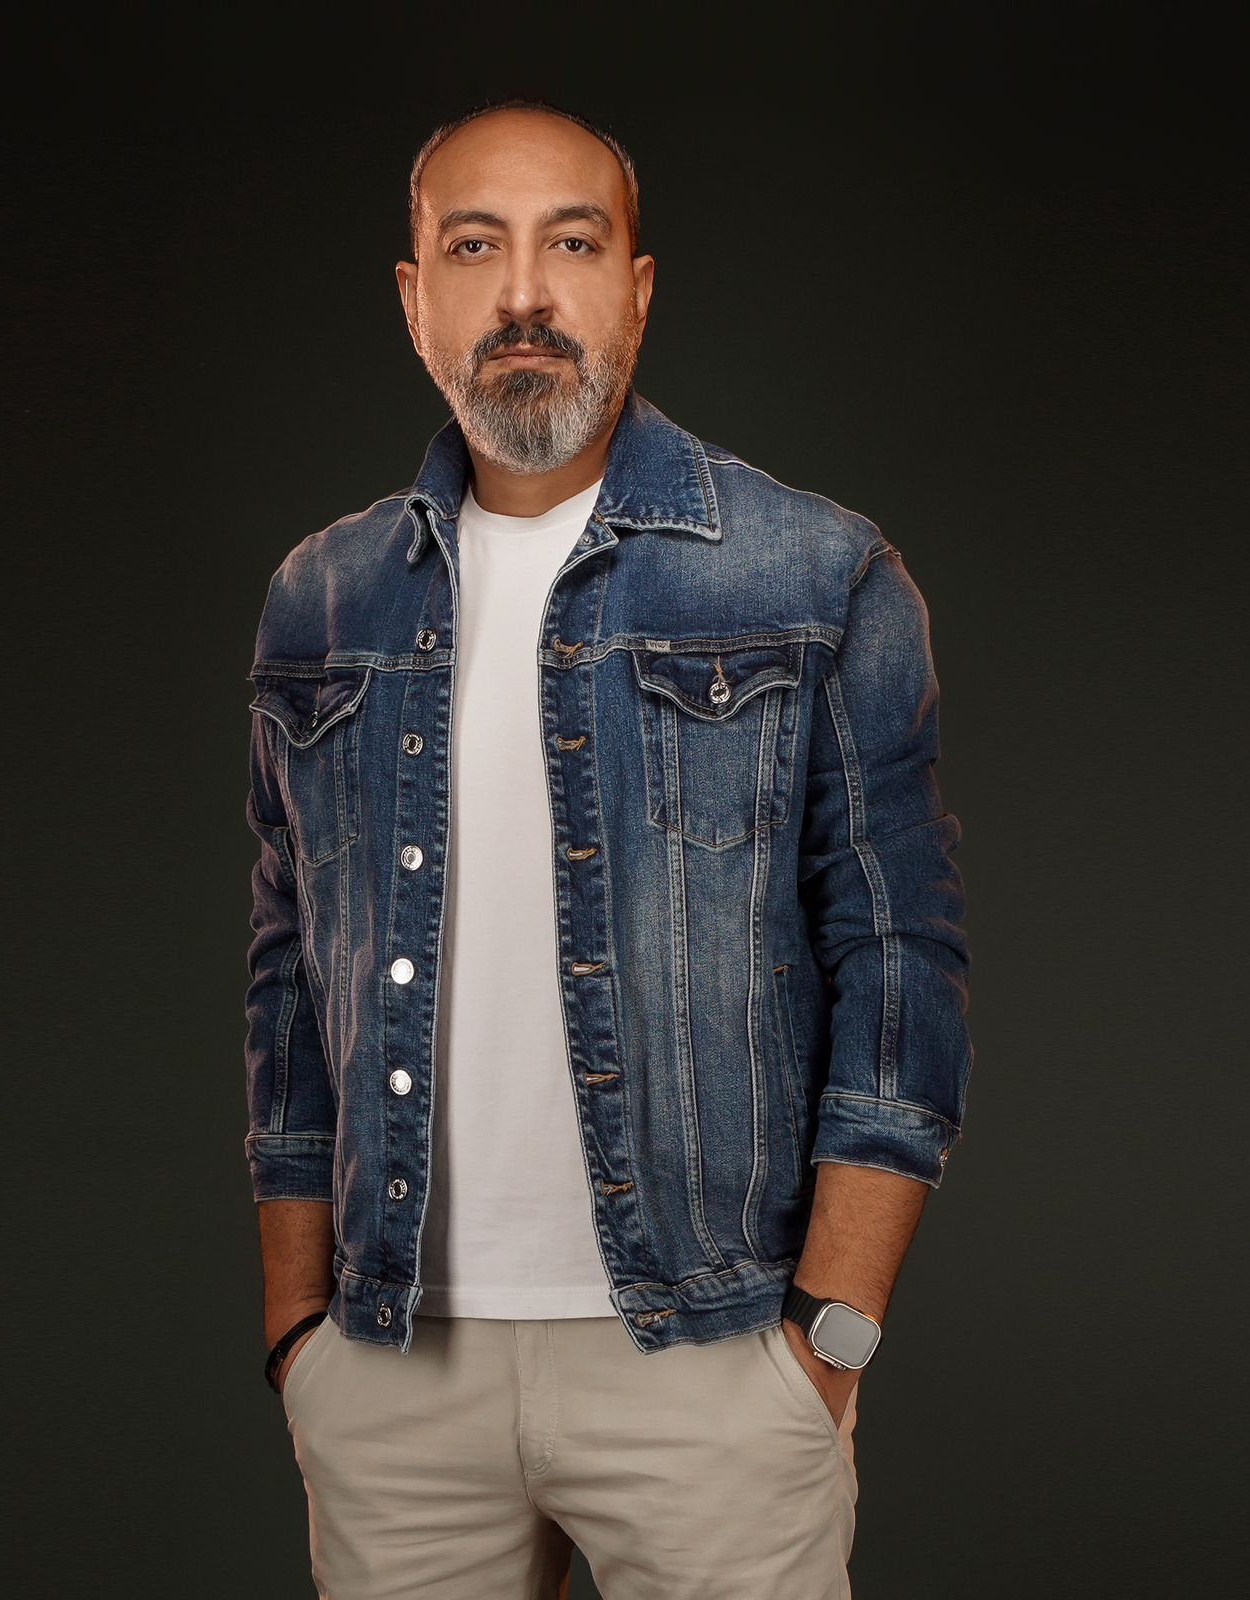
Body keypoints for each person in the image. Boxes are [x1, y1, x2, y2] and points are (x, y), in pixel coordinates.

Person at [243, 95, 974, 1600]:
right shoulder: (323, 597)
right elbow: (284, 973)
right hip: (391, 1375)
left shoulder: (813, 572)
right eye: (475, 247)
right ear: (414, 298)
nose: (524, 292)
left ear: (636, 289)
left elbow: (901, 964)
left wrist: (829, 1340)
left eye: (570, 245)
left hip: (713, 1367)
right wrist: (297, 1335)